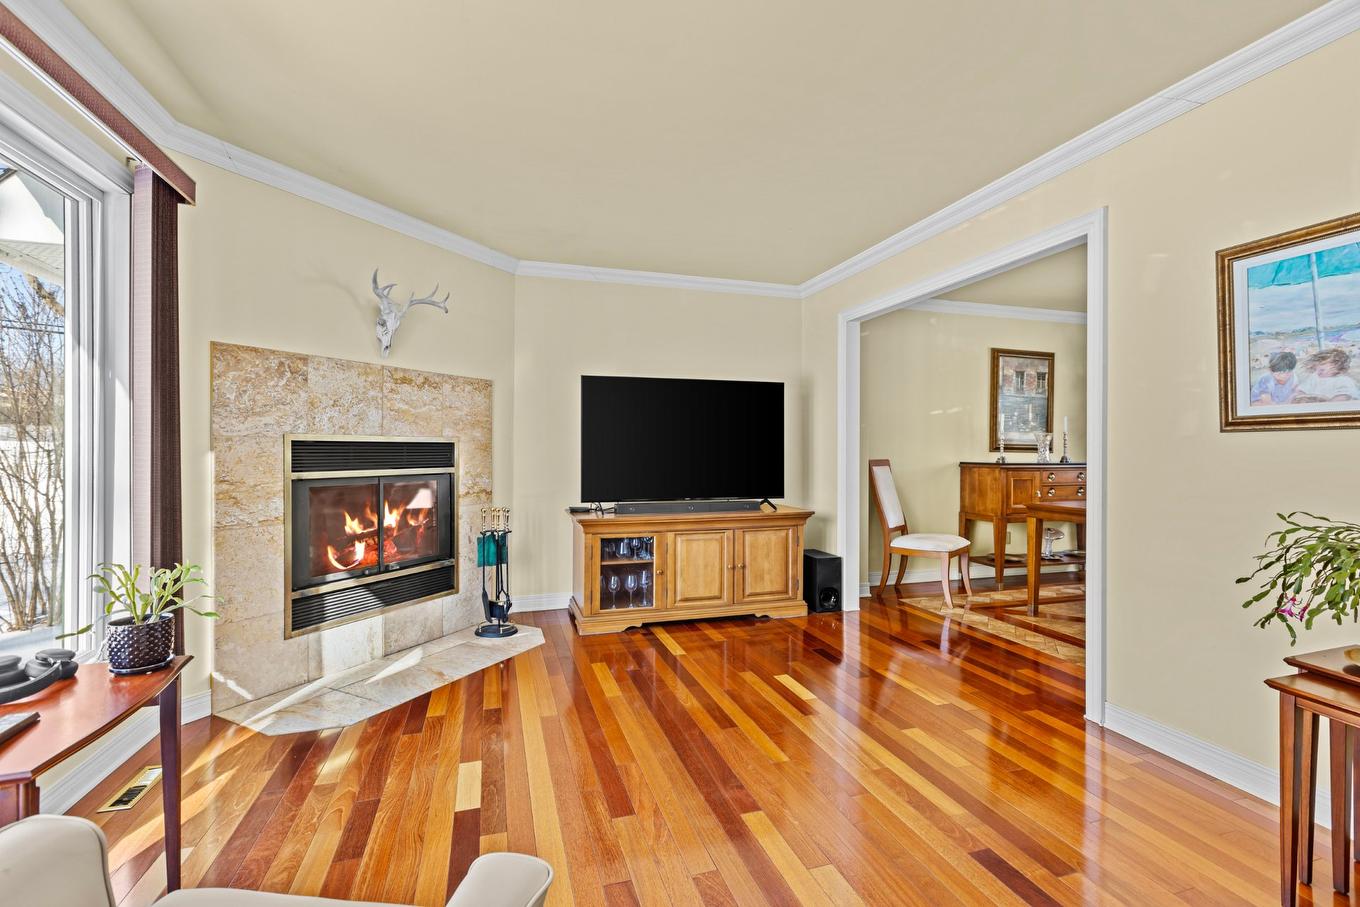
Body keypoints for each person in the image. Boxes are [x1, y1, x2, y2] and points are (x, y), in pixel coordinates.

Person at [1296, 347, 1360, 402]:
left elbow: (1343, 396)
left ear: (1337, 369)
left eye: (1322, 370)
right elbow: (1301, 391)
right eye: (1316, 369)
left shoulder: (1344, 380)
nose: (1317, 372)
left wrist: (1326, 405)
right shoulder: (1314, 377)